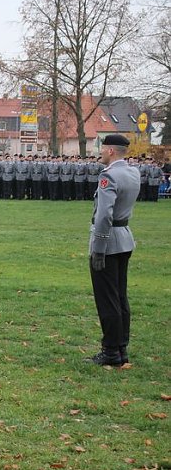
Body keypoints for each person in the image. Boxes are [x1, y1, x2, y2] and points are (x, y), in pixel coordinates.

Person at [86, 134, 140, 366]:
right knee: (119, 296)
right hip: (125, 238)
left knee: (107, 299)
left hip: (108, 243)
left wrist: (98, 247)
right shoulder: (133, 172)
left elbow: (104, 215)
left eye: (102, 149)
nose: (100, 153)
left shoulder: (109, 175)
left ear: (110, 151)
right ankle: (121, 348)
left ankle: (110, 351)